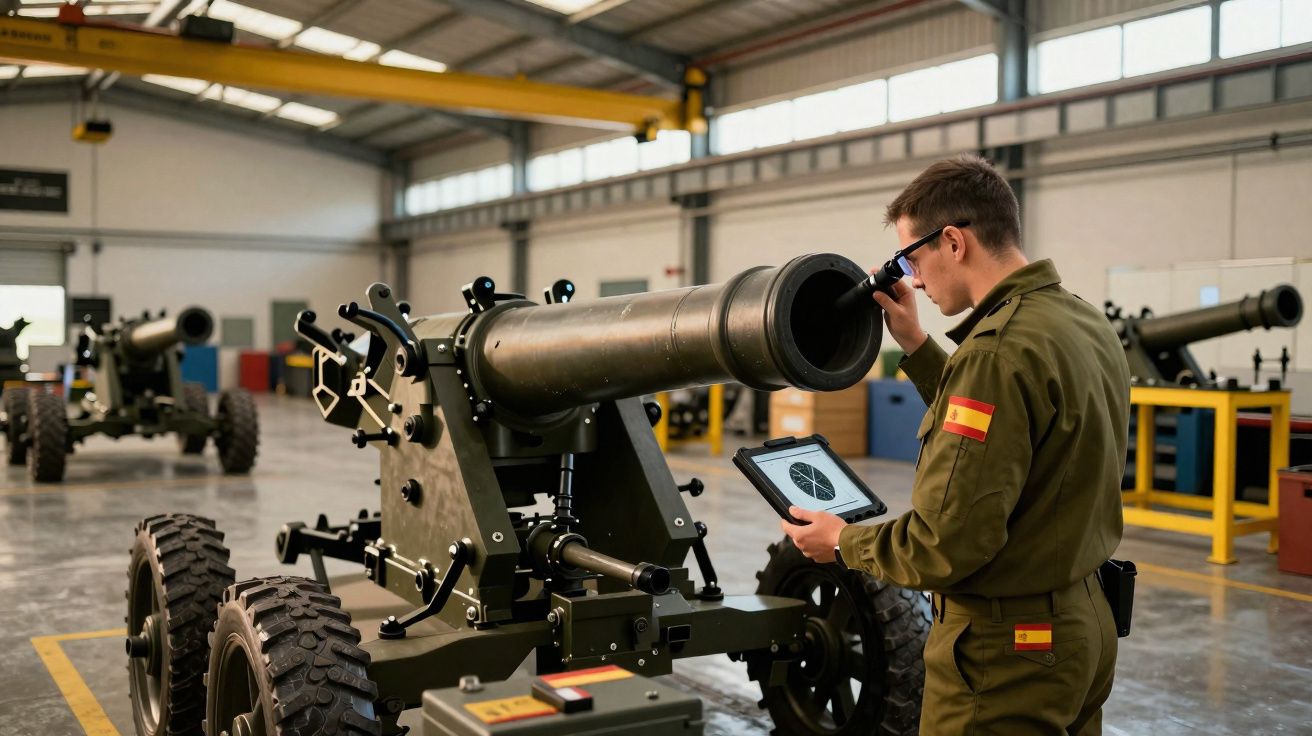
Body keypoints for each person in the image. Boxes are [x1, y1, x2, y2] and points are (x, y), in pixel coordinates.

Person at [780, 153, 1130, 735]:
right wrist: (916, 343)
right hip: (1082, 624)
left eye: (911, 258)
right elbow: (1017, 429)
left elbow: (945, 543)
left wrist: (843, 541)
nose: (912, 278)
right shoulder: (1079, 321)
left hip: (1005, 655)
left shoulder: (994, 352)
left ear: (953, 241)